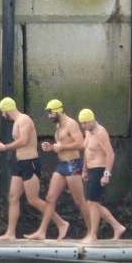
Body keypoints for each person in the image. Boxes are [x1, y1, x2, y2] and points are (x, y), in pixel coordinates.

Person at [0, 97, 70, 240]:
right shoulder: (16, 122)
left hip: (30, 163)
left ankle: (61, 223)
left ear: (6, 109)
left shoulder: (24, 120)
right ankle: (10, 233)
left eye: (2, 111)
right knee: (13, 197)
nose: (2, 115)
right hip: (19, 163)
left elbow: (23, 141)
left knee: (33, 199)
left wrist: (6, 147)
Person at [25, 99, 90, 240]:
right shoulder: (59, 125)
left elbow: (81, 144)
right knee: (50, 198)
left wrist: (62, 147)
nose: (49, 116)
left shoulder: (71, 124)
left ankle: (92, 232)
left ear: (58, 111)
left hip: (72, 165)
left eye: (50, 113)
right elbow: (61, 144)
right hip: (61, 165)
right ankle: (42, 231)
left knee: (79, 200)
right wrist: (51, 147)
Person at [78, 108, 126, 243]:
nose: (83, 126)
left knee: (92, 203)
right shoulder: (88, 131)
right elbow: (87, 151)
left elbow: (110, 154)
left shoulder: (101, 132)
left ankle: (93, 235)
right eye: (81, 123)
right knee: (92, 203)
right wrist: (84, 170)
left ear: (92, 120)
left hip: (99, 170)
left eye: (85, 123)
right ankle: (117, 227)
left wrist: (106, 174)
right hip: (91, 170)